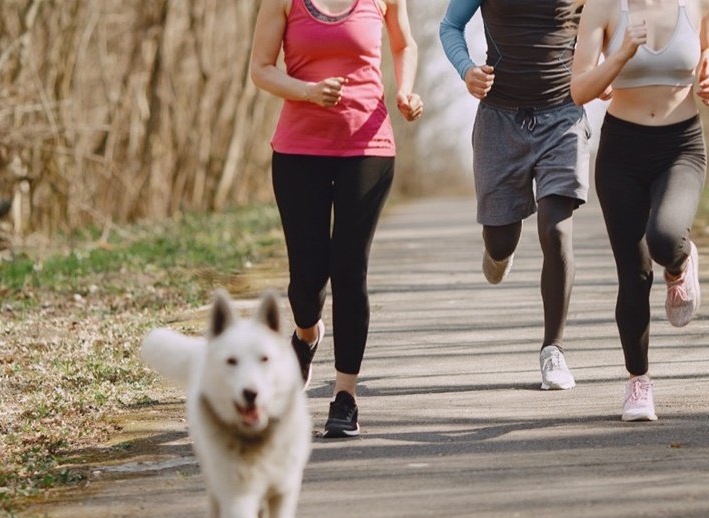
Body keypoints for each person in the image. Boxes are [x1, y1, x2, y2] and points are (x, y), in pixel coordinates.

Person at [250, 0, 423, 438]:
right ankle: (306, 336)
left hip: (368, 146)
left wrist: (405, 90)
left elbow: (405, 45)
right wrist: (306, 91)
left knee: (349, 270)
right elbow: (261, 69)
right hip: (297, 150)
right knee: (307, 279)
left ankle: (345, 397)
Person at [570, 0, 709, 420]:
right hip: (620, 153)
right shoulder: (601, 8)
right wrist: (619, 57)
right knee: (633, 275)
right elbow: (578, 89)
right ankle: (638, 384)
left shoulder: (698, 3)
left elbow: (705, 51)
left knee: (666, 237)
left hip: (682, 147)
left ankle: (680, 261)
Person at [440, 0, 592, 391]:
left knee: (555, 229)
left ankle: (553, 350)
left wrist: (599, 66)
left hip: (563, 115)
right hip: (500, 118)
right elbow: (450, 27)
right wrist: (467, 70)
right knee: (501, 238)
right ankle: (498, 250)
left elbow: (613, 20)